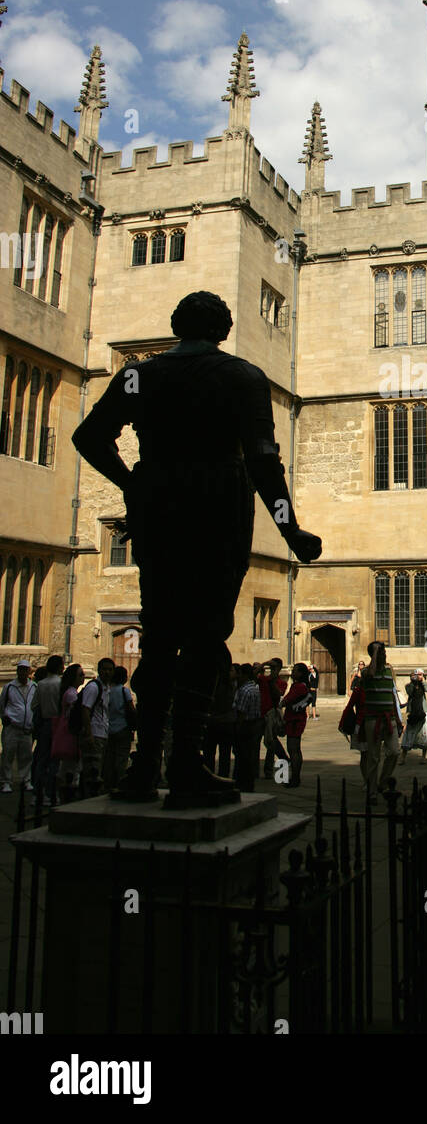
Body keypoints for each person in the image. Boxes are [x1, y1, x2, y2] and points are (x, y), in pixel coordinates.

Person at [71, 289, 321, 808]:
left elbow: (89, 438)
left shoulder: (140, 374)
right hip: (218, 510)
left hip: (159, 510)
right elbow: (263, 463)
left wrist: (131, 484)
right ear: (224, 329)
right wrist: (289, 528)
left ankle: (144, 767)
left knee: (159, 634)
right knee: (208, 638)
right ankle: (185, 764)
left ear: (176, 325)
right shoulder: (243, 377)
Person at [359, 642, 401, 803]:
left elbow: (392, 695)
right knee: (374, 757)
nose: (385, 654)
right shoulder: (366, 672)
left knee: (395, 752)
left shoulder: (389, 671)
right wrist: (375, 654)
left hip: (388, 718)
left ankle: (381, 783)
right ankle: (372, 792)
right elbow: (369, 674)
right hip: (372, 720)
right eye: (382, 652)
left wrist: (397, 718)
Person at [79, 657, 115, 797]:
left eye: (110, 670)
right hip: (94, 734)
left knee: (98, 768)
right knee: (91, 769)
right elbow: (85, 709)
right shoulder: (94, 687)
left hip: (102, 733)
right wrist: (88, 734)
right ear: (99, 670)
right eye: (104, 669)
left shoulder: (106, 688)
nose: (107, 672)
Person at [31, 654, 64, 806]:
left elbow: (34, 706)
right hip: (57, 724)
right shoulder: (61, 683)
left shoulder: (42, 684)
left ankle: (38, 793)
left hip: (44, 723)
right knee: (54, 761)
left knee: (41, 760)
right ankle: (51, 793)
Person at [0, 662, 37, 793]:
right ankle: (6, 782)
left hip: (27, 728)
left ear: (28, 672)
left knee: (26, 756)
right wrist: (5, 716)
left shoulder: (34, 686)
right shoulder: (9, 687)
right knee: (8, 755)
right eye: (20, 670)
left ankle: (25, 780)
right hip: (12, 727)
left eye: (25, 670)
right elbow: (2, 704)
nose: (22, 673)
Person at [52, 664, 84, 803]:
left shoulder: (69, 692)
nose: (83, 677)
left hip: (66, 731)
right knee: (72, 767)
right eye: (80, 675)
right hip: (70, 733)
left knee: (65, 766)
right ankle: (66, 796)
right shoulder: (71, 694)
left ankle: (61, 795)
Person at [102, 665, 136, 792]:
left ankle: (108, 784)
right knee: (121, 759)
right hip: (123, 727)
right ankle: (120, 782)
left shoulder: (108, 691)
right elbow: (130, 708)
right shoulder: (124, 691)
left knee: (110, 758)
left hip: (110, 728)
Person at [232, 664, 262, 792]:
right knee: (249, 756)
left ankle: (241, 783)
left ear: (244, 675)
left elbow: (241, 713)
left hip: (245, 725)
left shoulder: (244, 690)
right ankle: (249, 783)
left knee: (241, 757)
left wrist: (236, 729)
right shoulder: (254, 689)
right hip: (254, 724)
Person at [282, 662, 311, 786]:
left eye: (295, 671)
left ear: (300, 673)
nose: (292, 673)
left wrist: (281, 704)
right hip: (296, 720)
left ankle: (295, 778)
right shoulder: (301, 686)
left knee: (293, 749)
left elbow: (286, 700)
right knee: (295, 749)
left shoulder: (298, 687)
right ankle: (295, 777)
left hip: (294, 720)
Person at [259, 658, 289, 779]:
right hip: (260, 714)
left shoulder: (281, 682)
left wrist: (272, 680)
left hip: (272, 715)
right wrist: (264, 663)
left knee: (271, 742)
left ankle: (270, 770)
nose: (272, 670)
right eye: (272, 668)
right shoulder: (263, 679)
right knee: (266, 742)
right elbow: (253, 673)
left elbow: (278, 694)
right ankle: (283, 760)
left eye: (275, 668)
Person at [400, 669, 427, 763]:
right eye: (415, 675)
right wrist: (413, 682)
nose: (417, 677)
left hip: (423, 711)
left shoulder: (422, 685)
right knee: (408, 734)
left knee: (424, 734)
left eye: (419, 675)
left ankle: (423, 757)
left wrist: (422, 680)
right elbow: (410, 692)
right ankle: (403, 757)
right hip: (413, 712)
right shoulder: (409, 685)